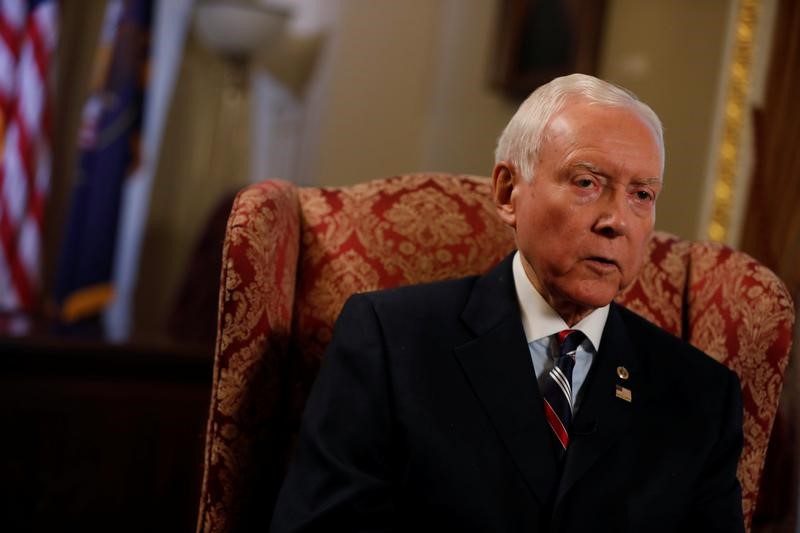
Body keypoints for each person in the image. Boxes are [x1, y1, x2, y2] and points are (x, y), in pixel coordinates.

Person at [270, 74, 744, 532]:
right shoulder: (388, 340)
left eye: (642, 194)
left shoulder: (701, 396)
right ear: (507, 192)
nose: (616, 220)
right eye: (587, 183)